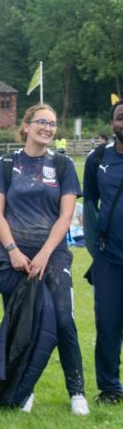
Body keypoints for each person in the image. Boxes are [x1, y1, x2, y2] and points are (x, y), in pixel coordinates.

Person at [0, 104, 87, 414]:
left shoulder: (63, 165)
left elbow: (66, 216)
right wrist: (14, 250)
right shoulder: (6, 164)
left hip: (53, 255)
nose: (47, 128)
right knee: (21, 324)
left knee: (62, 319)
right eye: (41, 122)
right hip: (13, 255)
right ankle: (22, 391)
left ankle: (77, 392)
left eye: (53, 124)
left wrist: (44, 255)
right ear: (26, 126)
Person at [82, 101, 123, 404]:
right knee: (107, 325)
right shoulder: (98, 159)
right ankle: (110, 388)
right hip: (109, 259)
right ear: (112, 123)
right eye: (121, 117)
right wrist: (97, 249)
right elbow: (89, 205)